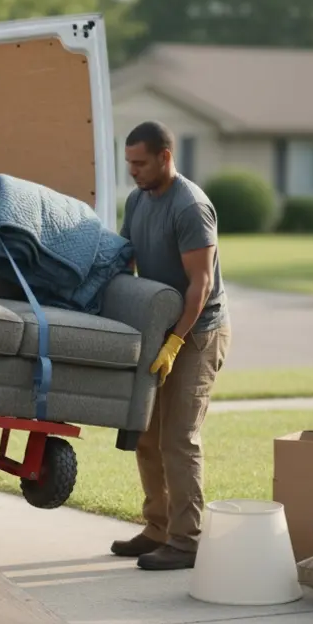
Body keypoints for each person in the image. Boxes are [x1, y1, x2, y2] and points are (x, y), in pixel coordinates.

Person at [110, 121, 231, 571]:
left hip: (199, 333)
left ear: (165, 157)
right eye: (129, 164)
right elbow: (125, 259)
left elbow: (199, 286)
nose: (133, 173)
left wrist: (176, 342)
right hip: (160, 331)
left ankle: (187, 541)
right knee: (146, 435)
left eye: (140, 163)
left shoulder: (191, 207)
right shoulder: (138, 200)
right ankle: (157, 528)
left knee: (179, 440)